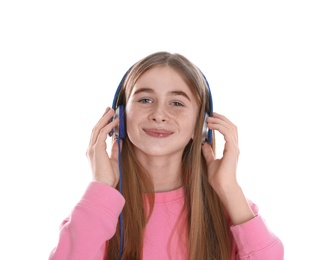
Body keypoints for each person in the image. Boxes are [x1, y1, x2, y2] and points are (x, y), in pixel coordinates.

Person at [49, 51, 284, 260]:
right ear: (119, 119)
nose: (159, 114)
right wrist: (102, 186)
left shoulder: (232, 210)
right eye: (145, 100)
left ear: (200, 125)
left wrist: (229, 188)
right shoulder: (99, 211)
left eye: (176, 103)